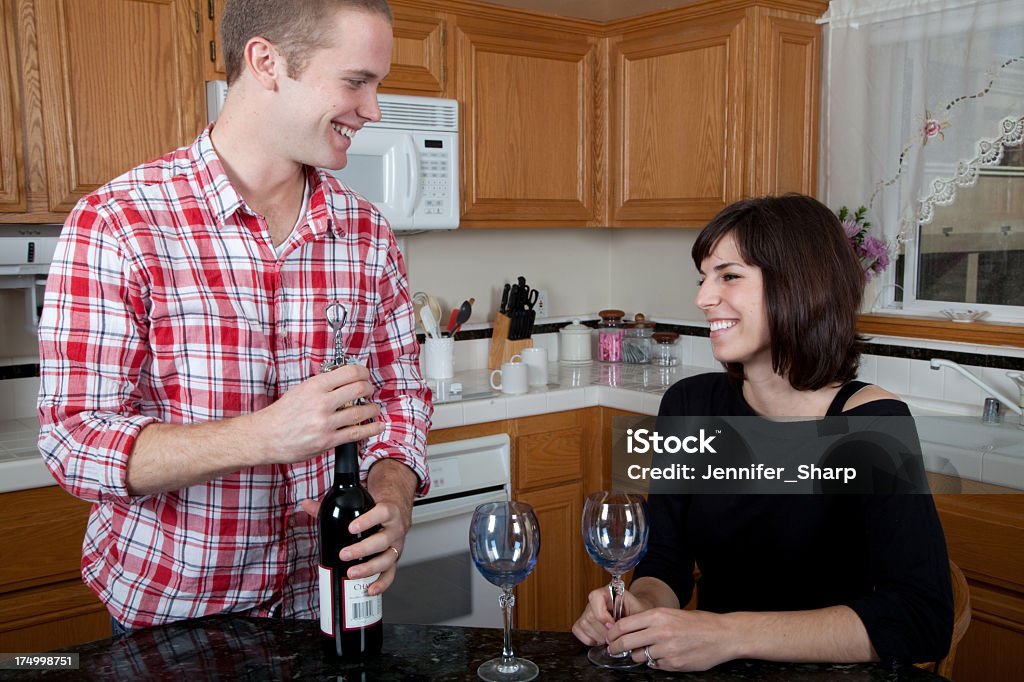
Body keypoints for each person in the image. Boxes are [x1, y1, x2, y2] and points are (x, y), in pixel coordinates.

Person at [36, 0, 431, 632]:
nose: (374, 110)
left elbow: (401, 396)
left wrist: (393, 495)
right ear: (267, 61)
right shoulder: (119, 223)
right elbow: (74, 442)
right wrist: (264, 436)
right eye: (357, 81)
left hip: (324, 604)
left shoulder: (367, 232)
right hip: (175, 613)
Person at [572, 194, 953, 671]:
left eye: (729, 275)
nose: (703, 298)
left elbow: (921, 619)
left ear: (798, 285)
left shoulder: (872, 425)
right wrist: (641, 607)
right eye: (704, 277)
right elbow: (665, 561)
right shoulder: (690, 406)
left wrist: (729, 633)